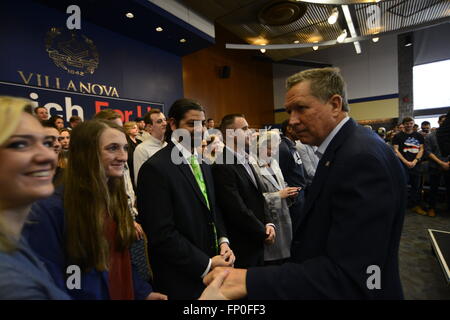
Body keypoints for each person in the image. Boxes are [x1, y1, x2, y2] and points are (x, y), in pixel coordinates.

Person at [204, 67, 406, 299]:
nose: (292, 120)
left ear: (335, 104)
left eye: (301, 108)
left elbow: (353, 274)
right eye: (289, 111)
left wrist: (248, 280)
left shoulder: (360, 158)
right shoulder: (350, 148)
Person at [22, 119, 167, 300]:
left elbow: (121, 257)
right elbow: (50, 281)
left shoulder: (114, 199)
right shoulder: (50, 209)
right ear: (86, 152)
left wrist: (142, 292)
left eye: (124, 148)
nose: (123, 156)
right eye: (112, 148)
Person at [136, 98, 235, 299]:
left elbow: (213, 209)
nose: (199, 130)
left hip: (214, 273)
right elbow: (162, 233)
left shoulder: (204, 164)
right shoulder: (155, 168)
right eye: (191, 124)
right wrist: (206, 264)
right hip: (180, 279)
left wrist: (223, 242)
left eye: (202, 124)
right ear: (173, 124)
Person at [0, 96, 69, 299]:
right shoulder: (11, 284)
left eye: (46, 143)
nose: (47, 155)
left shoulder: (15, 241)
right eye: (20, 145)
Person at [212, 114, 275, 268]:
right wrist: (262, 231)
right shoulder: (222, 164)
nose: (250, 132)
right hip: (243, 242)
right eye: (245, 129)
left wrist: (269, 223)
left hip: (257, 237)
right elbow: (236, 208)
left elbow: (259, 196)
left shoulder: (247, 158)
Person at [251, 130, 299, 265]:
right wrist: (279, 195)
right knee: (272, 262)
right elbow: (254, 198)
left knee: (285, 258)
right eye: (268, 148)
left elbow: (282, 184)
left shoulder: (274, 163)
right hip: (268, 220)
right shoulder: (253, 165)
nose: (271, 152)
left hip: (283, 216)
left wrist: (289, 192)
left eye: (274, 148)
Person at [392, 117, 426, 215]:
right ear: (403, 124)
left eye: (411, 123)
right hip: (402, 165)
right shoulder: (398, 136)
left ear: (413, 124)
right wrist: (405, 161)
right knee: (402, 186)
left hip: (416, 165)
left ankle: (415, 206)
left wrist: (415, 160)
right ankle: (400, 206)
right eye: (407, 123)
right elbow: (396, 150)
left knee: (416, 187)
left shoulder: (419, 136)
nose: (409, 125)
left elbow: (421, 149)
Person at [278, 119, 307, 234]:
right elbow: (282, 175)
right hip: (294, 197)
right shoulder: (283, 148)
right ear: (289, 129)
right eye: (297, 126)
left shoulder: (292, 146)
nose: (301, 129)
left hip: (301, 193)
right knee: (296, 231)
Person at [133, 110, 167, 184]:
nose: (164, 123)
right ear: (149, 127)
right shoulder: (142, 149)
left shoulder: (168, 146)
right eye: (159, 121)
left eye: (165, 120)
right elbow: (140, 181)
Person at [425, 115, 450, 217]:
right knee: (433, 189)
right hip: (435, 166)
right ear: (439, 122)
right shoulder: (430, 136)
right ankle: (432, 208)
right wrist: (441, 163)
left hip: (449, 165)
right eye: (443, 121)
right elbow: (428, 151)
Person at [123, 121, 141, 189]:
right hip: (131, 170)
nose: (136, 129)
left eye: (137, 128)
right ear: (127, 130)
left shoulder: (140, 142)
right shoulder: (126, 143)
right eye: (133, 128)